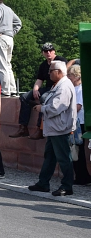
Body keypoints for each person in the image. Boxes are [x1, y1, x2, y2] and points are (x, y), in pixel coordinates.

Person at [28, 61, 77, 196]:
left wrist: (41, 108)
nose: (49, 73)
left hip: (60, 128)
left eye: (51, 71)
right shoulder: (59, 85)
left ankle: (67, 186)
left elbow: (57, 107)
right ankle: (43, 183)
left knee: (63, 158)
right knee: (50, 156)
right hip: (55, 128)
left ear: (59, 72)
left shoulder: (64, 87)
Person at [9, 43, 67, 139]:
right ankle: (23, 128)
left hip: (57, 88)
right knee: (24, 97)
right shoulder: (43, 65)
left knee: (44, 98)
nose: (48, 53)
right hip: (47, 88)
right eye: (45, 51)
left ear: (54, 51)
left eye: (50, 50)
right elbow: (39, 80)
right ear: (42, 53)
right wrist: (35, 89)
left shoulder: (61, 61)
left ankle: (40, 129)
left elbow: (65, 76)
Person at [0, 0, 22, 96]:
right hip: (10, 38)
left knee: (1, 65)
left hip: (1, 38)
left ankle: (5, 90)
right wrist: (12, 32)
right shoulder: (9, 9)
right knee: (8, 65)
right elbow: (18, 23)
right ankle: (12, 89)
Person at [67, 65, 91, 185]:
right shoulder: (72, 88)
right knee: (75, 150)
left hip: (80, 122)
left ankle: (83, 177)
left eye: (70, 75)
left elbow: (78, 106)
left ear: (77, 77)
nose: (68, 77)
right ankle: (80, 176)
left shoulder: (81, 89)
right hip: (74, 122)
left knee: (79, 150)